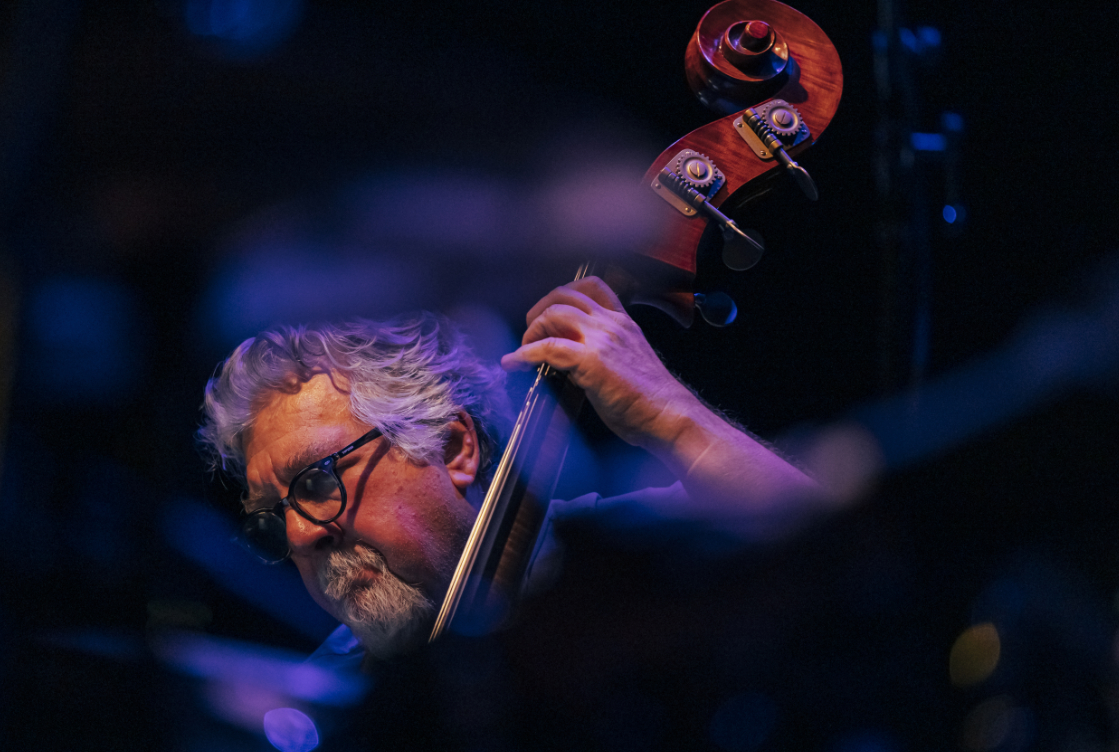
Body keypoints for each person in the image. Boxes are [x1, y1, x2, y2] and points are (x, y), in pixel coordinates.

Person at [198, 277, 833, 663]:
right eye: (272, 518)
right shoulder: (337, 687)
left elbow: (828, 555)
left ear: (453, 448)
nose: (300, 535)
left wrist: (671, 417)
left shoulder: (615, 561)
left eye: (316, 481)